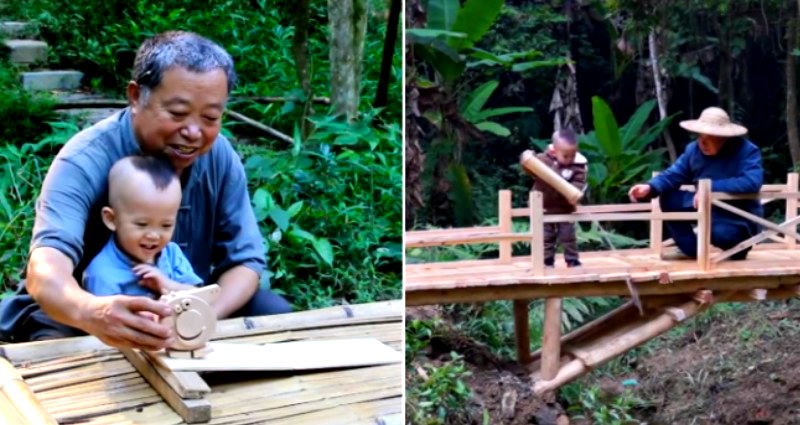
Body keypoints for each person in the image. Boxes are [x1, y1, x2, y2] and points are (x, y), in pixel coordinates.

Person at [0, 31, 292, 349]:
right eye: (177, 113)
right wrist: (91, 311)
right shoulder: (83, 160)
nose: (193, 132)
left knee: (270, 311)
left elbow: (246, 263)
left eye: (210, 117)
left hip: (178, 299)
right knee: (55, 340)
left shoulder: (220, 158)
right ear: (136, 96)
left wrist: (199, 315)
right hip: (87, 313)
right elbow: (46, 269)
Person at [628, 106, 763, 260]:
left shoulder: (746, 150)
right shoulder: (693, 150)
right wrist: (650, 186)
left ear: (723, 138)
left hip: (736, 214)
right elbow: (674, 174)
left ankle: (739, 248)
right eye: (700, 137)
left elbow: (752, 181)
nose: (703, 143)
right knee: (669, 198)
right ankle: (691, 250)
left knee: (721, 234)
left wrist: (710, 188)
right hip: (703, 206)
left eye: (709, 138)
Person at [83, 156, 203, 297]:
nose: (154, 235)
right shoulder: (102, 273)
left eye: (166, 225)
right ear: (111, 219)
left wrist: (167, 285)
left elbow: (201, 297)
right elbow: (106, 316)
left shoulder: (171, 254)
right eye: (142, 224)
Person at [522, 128, 587, 267]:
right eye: (565, 156)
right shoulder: (542, 160)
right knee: (545, 237)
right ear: (553, 151)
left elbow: (579, 182)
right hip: (543, 208)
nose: (570, 159)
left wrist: (575, 192)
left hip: (565, 208)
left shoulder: (578, 166)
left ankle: (572, 259)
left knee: (568, 237)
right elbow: (529, 168)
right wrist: (525, 159)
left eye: (573, 155)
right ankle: (546, 260)